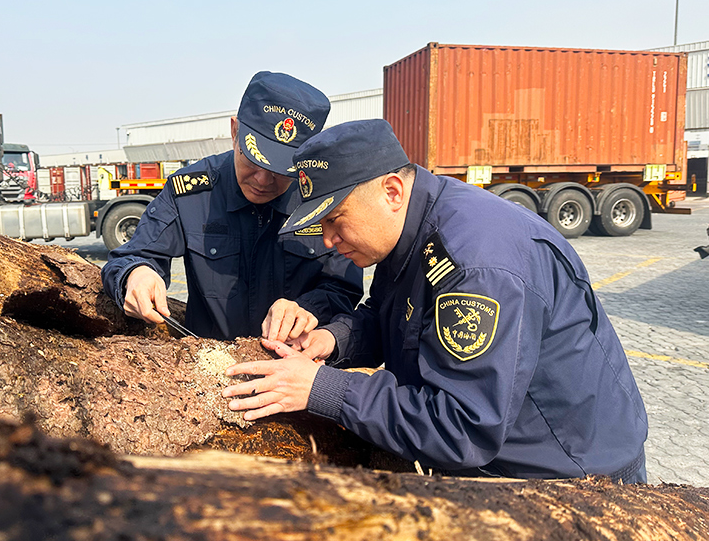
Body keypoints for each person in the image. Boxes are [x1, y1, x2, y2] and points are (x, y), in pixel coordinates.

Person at [222, 119, 649, 483]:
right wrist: (334, 340)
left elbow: (462, 427)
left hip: (569, 473)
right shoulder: (414, 222)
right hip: (515, 455)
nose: (329, 241)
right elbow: (395, 314)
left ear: (391, 190)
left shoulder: (475, 267)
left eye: (335, 219)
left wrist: (323, 389)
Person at [101, 72, 363, 341]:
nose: (262, 180)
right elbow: (130, 257)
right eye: (252, 160)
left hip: (293, 369)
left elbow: (344, 288)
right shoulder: (192, 192)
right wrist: (136, 274)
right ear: (235, 131)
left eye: (279, 170)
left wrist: (307, 309)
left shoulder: (324, 199)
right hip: (208, 367)